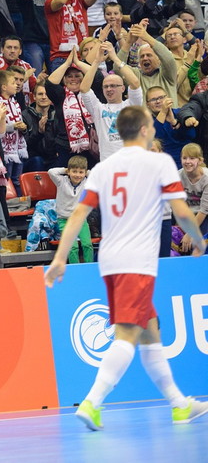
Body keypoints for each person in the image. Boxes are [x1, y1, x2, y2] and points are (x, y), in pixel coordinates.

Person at [45, 105, 208, 430]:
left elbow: (77, 214)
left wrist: (60, 258)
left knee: (150, 332)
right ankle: (92, 402)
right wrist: (199, 241)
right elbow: (182, 212)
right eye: (152, 126)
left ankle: (179, 405)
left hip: (110, 260)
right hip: (137, 262)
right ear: (145, 130)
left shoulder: (104, 168)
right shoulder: (160, 162)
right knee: (127, 335)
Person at [49, 157, 94, 263]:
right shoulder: (61, 181)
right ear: (68, 172)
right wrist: (66, 170)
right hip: (64, 220)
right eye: (74, 171)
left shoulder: (87, 182)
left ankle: (89, 266)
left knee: (87, 244)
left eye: (81, 172)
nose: (77, 175)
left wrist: (86, 172)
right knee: (72, 247)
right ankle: (75, 268)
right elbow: (51, 172)